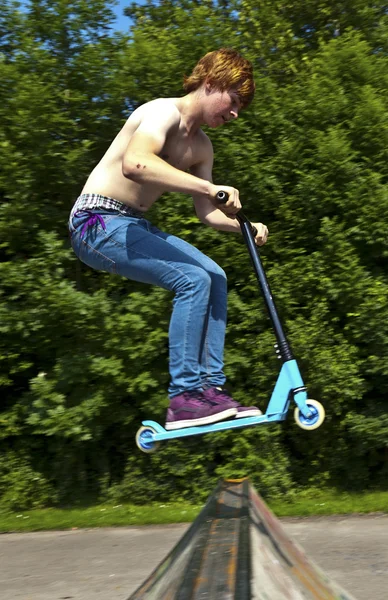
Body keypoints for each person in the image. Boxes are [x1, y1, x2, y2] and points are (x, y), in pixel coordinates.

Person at [68, 48, 269, 431]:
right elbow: (137, 163)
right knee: (191, 280)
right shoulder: (162, 112)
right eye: (235, 100)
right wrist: (210, 187)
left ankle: (210, 391)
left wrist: (246, 226)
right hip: (94, 221)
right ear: (212, 83)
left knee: (214, 275)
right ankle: (183, 398)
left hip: (130, 224)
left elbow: (207, 211)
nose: (235, 113)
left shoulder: (202, 146)